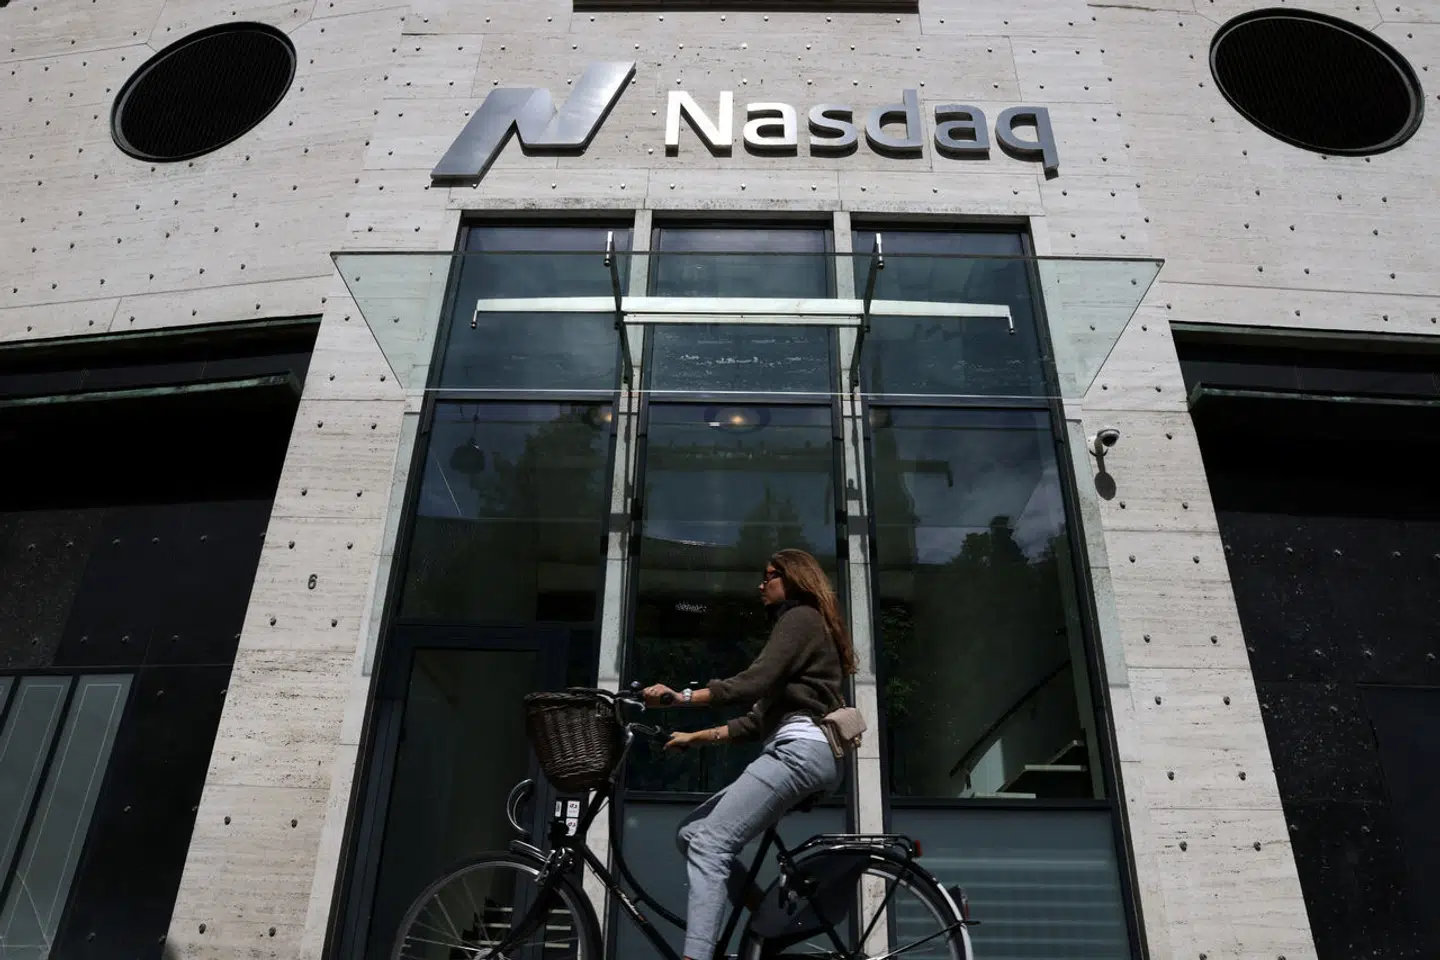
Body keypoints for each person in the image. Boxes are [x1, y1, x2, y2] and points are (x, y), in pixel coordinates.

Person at [643, 547, 858, 960]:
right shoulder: (808, 628)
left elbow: (750, 683)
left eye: (769, 576)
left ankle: (697, 956)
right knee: (690, 834)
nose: (761, 585)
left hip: (800, 751)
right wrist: (696, 737)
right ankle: (765, 916)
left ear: (793, 579)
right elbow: (756, 722)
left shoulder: (799, 618)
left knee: (709, 844)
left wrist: (679, 696)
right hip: (809, 752)